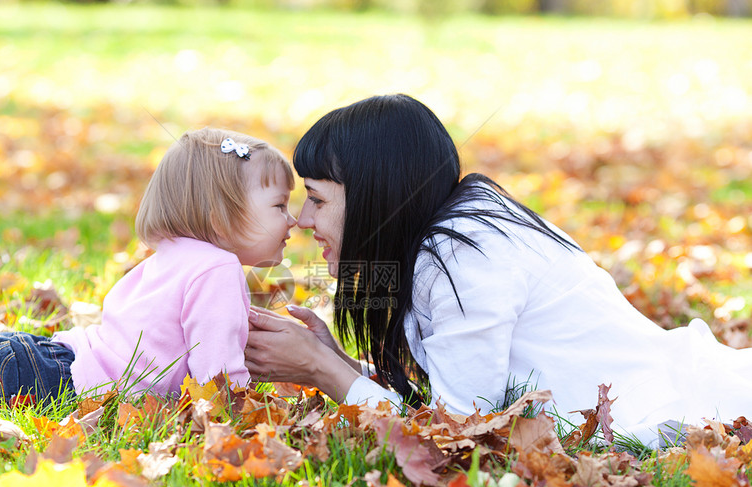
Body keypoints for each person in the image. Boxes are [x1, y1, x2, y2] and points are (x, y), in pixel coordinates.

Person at [244, 94, 752, 447]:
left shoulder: (466, 259)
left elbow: (462, 430)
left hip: (694, 405)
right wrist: (345, 364)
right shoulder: (447, 241)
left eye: (315, 198)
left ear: (377, 196)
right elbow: (450, 392)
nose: (302, 219)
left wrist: (320, 370)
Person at [0, 128, 296, 405]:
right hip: (44, 380)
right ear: (220, 214)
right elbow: (218, 381)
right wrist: (246, 417)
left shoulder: (175, 254)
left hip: (32, 354)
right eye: (279, 206)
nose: (293, 220)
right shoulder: (218, 269)